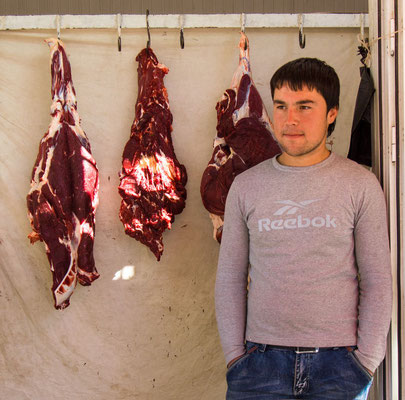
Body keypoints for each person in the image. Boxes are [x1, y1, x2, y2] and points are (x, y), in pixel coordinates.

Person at [215, 58, 392, 399]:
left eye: (305, 106)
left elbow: (377, 280)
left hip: (339, 367)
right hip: (259, 365)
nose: (290, 119)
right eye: (281, 106)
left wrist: (366, 361)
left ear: (332, 114)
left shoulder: (360, 184)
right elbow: (229, 278)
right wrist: (236, 357)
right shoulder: (247, 186)